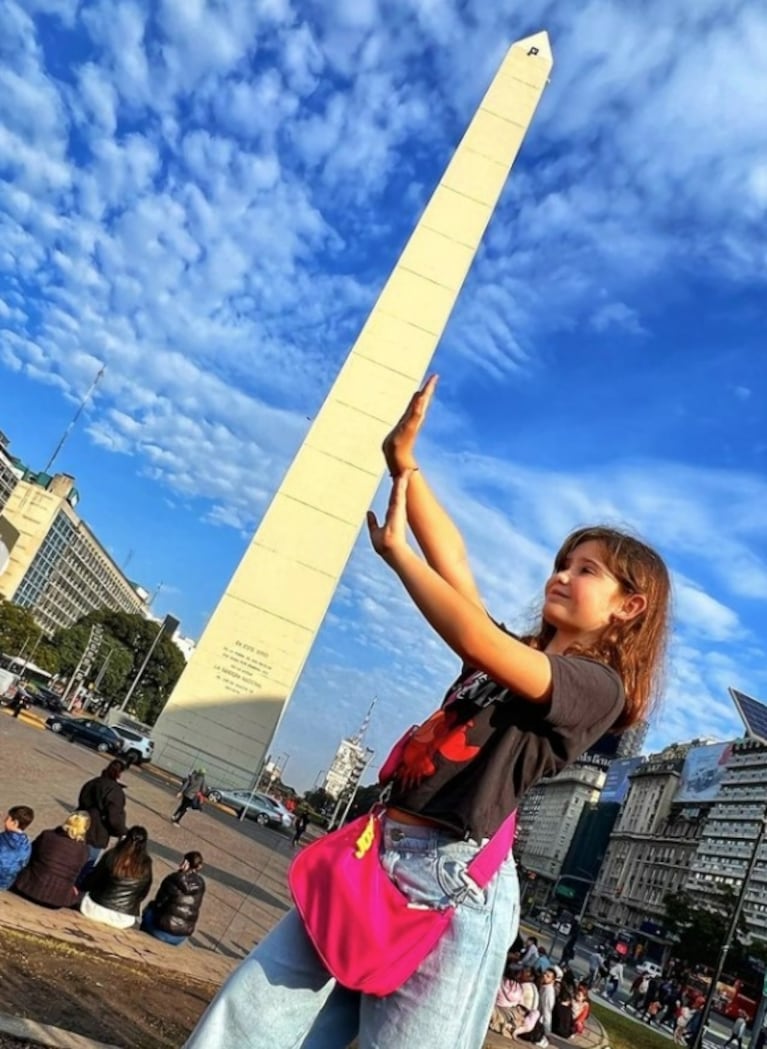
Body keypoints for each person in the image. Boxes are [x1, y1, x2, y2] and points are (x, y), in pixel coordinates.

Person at [184, 375, 671, 1049]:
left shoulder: (594, 687)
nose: (560, 573)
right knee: (249, 1018)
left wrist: (396, 556)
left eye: (586, 569)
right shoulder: (515, 653)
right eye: (561, 561)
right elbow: (459, 571)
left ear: (628, 606)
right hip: (373, 850)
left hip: (450, 882)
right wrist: (404, 465)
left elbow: (470, 632)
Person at [80, 825, 152, 929]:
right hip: (123, 918)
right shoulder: (146, 865)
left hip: (95, 909)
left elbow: (93, 879)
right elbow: (143, 893)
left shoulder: (113, 855)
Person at [13, 811, 90, 908]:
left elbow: (30, 854)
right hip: (58, 899)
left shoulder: (48, 835)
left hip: (28, 887)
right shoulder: (84, 850)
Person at [141, 850, 205, 946]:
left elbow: (159, 902)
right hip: (181, 935)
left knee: (149, 911)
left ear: (185, 863)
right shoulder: (201, 883)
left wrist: (180, 873)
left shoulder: (173, 878)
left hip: (163, 930)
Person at [77, 759, 128, 876]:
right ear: (119, 774)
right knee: (83, 869)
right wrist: (122, 831)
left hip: (79, 826)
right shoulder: (115, 791)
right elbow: (114, 817)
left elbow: (81, 802)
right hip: (97, 834)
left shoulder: (92, 783)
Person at [0, 805, 34, 889]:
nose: (4, 821)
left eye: (7, 818)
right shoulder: (26, 844)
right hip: (6, 882)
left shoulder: (3, 838)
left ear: (14, 822)